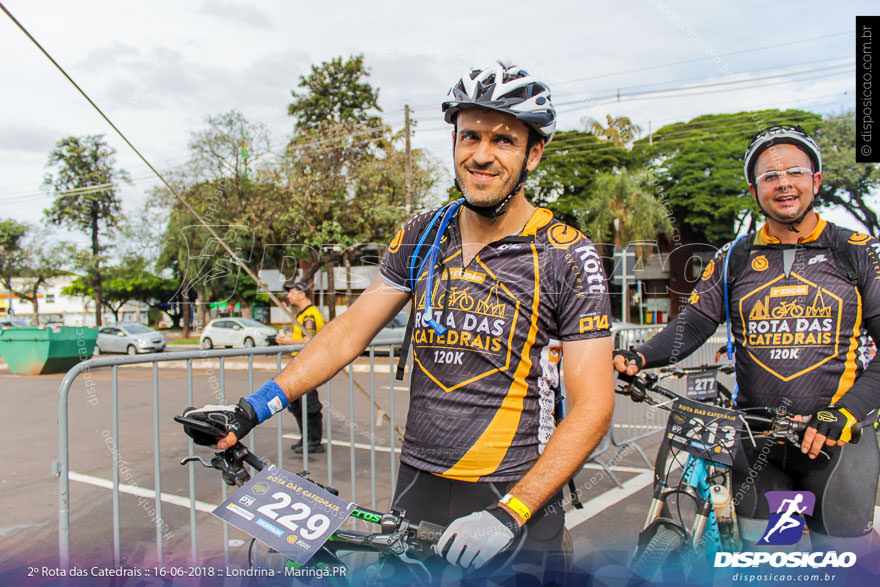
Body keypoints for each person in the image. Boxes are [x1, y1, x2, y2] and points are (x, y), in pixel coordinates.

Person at [181, 63, 614, 581]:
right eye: (470, 135)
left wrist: (512, 511)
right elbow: (346, 335)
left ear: (533, 153)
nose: (481, 154)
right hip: (419, 485)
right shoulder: (423, 234)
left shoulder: (568, 254)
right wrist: (252, 408)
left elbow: (593, 405)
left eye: (503, 140)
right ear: (454, 141)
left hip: (515, 494)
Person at [613, 125, 880, 552]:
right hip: (759, 443)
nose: (784, 183)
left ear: (817, 180)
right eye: (770, 176)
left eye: (795, 171)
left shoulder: (857, 250)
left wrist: (845, 413)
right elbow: (695, 323)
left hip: (836, 445)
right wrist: (639, 356)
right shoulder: (733, 257)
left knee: (844, 566)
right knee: (772, 565)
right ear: (754, 189)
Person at [275, 280, 325, 454]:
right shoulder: (301, 314)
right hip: (299, 364)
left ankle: (315, 441)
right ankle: (306, 437)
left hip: (309, 364)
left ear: (302, 294)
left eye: (291, 292)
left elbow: (309, 339)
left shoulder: (310, 315)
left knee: (310, 404)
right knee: (296, 404)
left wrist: (289, 341)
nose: (288, 296)